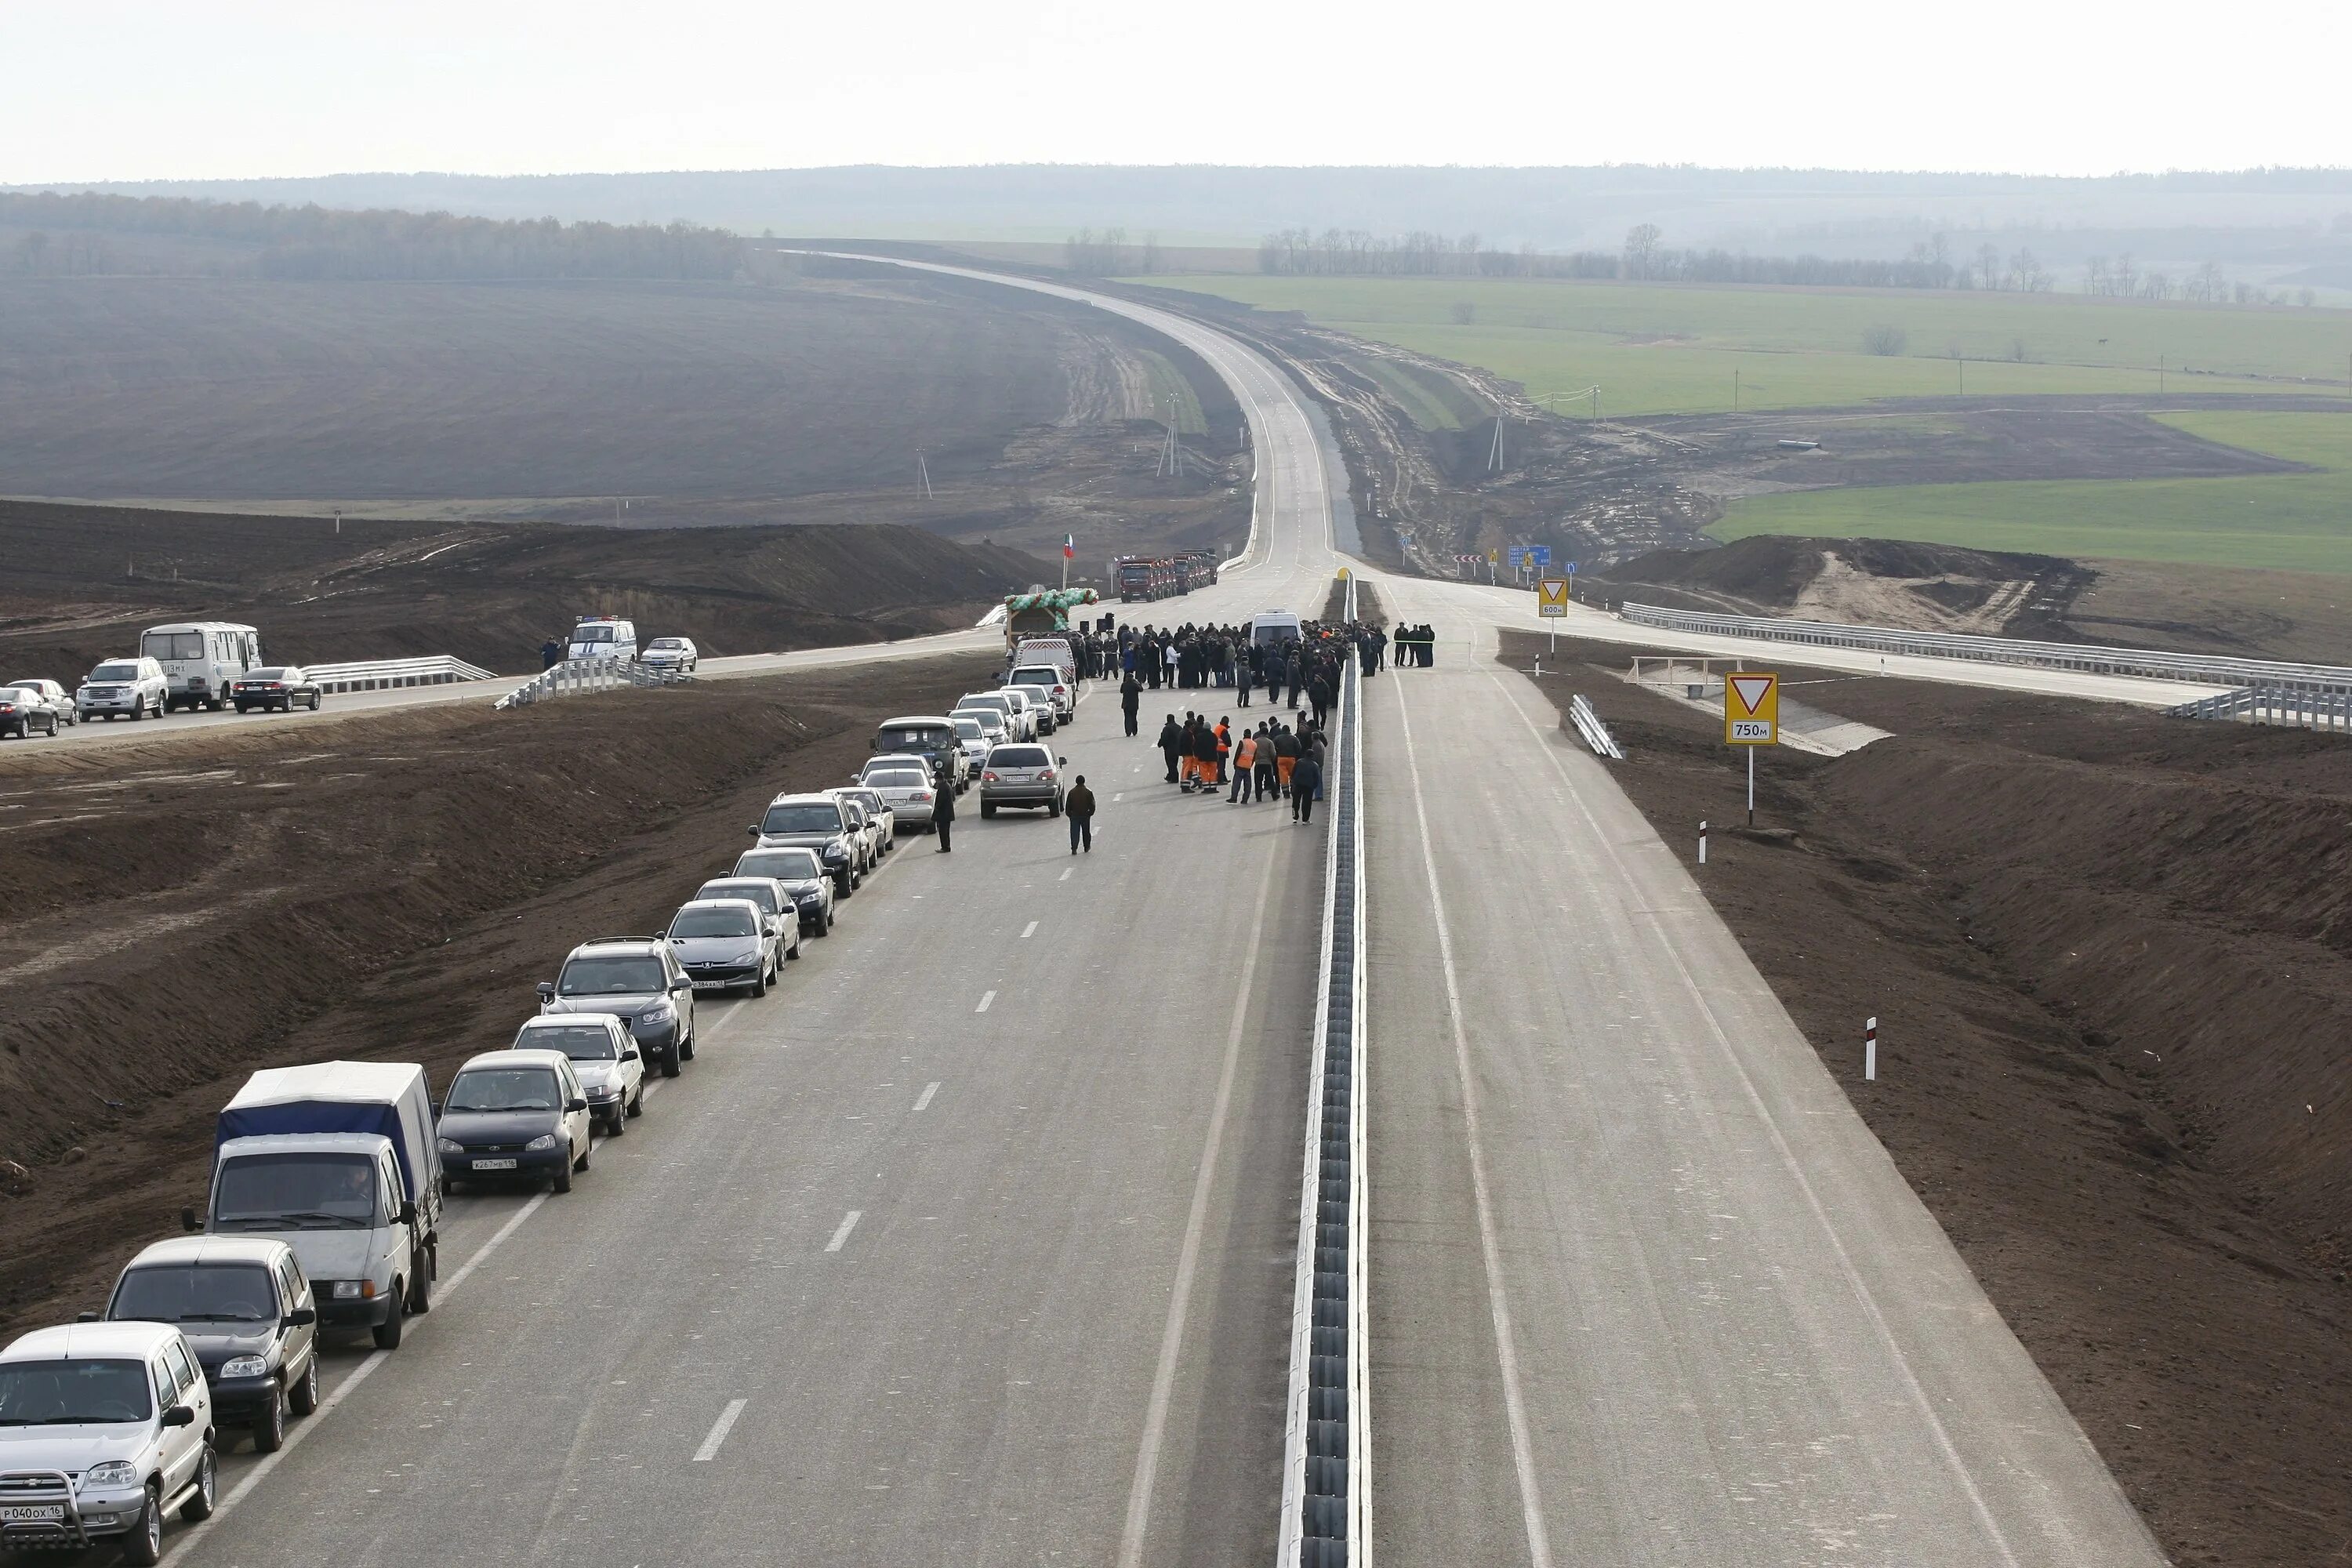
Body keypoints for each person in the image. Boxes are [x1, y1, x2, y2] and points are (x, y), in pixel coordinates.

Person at [1290, 750, 1323, 824]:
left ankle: (1295, 818)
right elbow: (1317, 777)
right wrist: (1314, 786)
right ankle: (1305, 820)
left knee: (1296, 801)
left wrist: (1293, 781)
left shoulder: (1299, 762)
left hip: (1298, 784)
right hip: (1309, 786)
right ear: (1312, 756)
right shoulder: (1315, 765)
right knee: (1307, 803)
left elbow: (1293, 772)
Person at [931, 757, 956, 852]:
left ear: (939, 779)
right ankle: (946, 846)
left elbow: (940, 802)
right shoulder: (947, 785)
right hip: (947, 814)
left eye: (936, 780)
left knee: (943, 832)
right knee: (945, 832)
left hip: (944, 815)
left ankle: (945, 847)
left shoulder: (943, 788)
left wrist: (936, 811)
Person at [1066, 775, 1096, 854]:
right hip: (1085, 815)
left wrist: (1069, 814)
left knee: (1074, 833)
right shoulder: (1088, 792)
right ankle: (1086, 847)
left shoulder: (1072, 792)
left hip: (1074, 816)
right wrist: (1090, 813)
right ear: (1084, 781)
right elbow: (1092, 804)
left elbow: (1068, 805)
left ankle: (1074, 848)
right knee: (1086, 832)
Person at [1229, 730, 1258, 804]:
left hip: (1240, 765)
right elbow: (1254, 756)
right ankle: (1245, 799)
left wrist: (1234, 763)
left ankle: (1234, 798)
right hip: (1248, 766)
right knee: (1248, 784)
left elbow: (1238, 753)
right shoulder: (1254, 744)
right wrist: (1251, 764)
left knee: (1236, 783)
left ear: (1244, 735)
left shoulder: (1242, 742)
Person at [1158, 714, 1183, 784]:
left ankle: (1174, 777)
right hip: (1177, 749)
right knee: (1174, 763)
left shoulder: (1167, 728)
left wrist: (1160, 744)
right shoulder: (1179, 727)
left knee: (1170, 763)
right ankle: (1170, 776)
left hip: (1169, 749)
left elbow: (1164, 738)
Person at [1120, 672, 1142, 737]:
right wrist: (1138, 683)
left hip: (1126, 704)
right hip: (1134, 704)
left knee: (1127, 718)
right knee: (1134, 718)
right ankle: (1134, 731)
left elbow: (1121, 691)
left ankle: (1128, 732)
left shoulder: (1124, 684)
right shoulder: (1135, 684)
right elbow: (1141, 689)